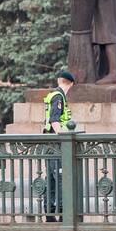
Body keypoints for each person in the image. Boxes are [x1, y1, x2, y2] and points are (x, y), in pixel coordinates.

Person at [42, 69, 75, 221]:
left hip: (49, 143)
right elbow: (54, 120)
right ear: (71, 84)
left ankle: (49, 212)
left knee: (51, 178)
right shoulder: (59, 97)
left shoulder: (52, 94)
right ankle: (62, 212)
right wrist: (64, 138)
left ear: (59, 81)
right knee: (60, 177)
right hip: (56, 143)